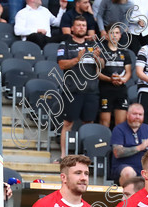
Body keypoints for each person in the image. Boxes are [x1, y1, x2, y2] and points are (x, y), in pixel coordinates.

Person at [58, 15, 105, 156]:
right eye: (78, 25)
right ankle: (63, 155)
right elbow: (61, 64)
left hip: (91, 90)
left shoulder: (93, 45)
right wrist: (77, 59)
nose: (81, 28)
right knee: (67, 124)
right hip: (72, 90)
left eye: (83, 25)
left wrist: (97, 58)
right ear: (72, 28)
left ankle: (85, 155)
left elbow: (102, 66)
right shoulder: (65, 44)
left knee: (88, 124)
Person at [111, 103, 148, 184]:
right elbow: (117, 152)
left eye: (140, 114)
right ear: (127, 114)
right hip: (123, 165)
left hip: (145, 166)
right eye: (134, 114)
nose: (137, 117)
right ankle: (128, 195)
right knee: (129, 173)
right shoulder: (119, 129)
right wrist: (140, 147)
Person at [99, 25, 133, 128]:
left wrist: (122, 80)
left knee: (121, 123)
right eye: (112, 33)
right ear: (107, 35)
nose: (114, 35)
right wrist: (110, 79)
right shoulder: (101, 52)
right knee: (105, 122)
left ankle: (118, 144)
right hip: (105, 88)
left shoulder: (125, 53)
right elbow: (97, 73)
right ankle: (104, 143)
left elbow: (128, 72)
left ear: (120, 36)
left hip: (120, 89)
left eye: (117, 33)